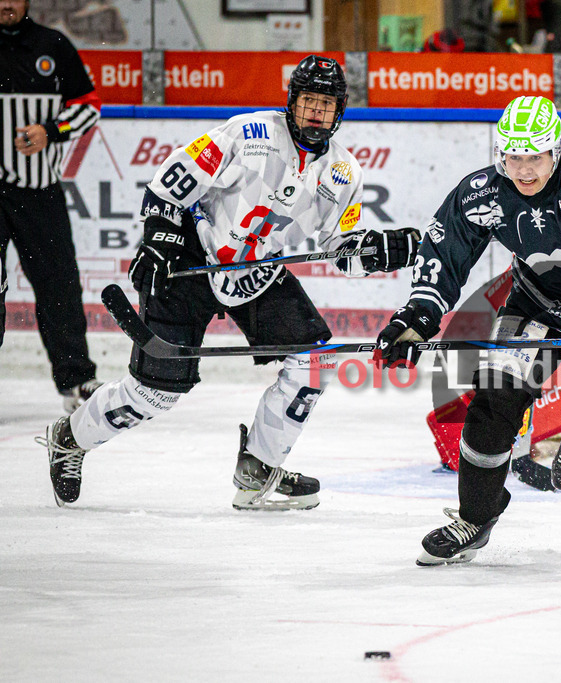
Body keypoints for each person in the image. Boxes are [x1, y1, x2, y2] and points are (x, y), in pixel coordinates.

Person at [38, 54, 420, 510]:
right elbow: (173, 178)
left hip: (257, 270)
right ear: (291, 101)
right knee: (155, 391)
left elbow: (341, 250)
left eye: (326, 104)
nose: (315, 113)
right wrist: (158, 238)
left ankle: (259, 467)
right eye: (308, 102)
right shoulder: (248, 132)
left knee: (314, 361)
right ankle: (70, 437)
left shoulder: (344, 173)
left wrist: (377, 252)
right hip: (191, 259)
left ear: (340, 110)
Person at [375, 95, 561, 565]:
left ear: (557, 149)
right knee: (493, 402)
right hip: (537, 308)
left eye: (534, 156)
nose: (524, 170)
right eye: (513, 156)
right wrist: (417, 315)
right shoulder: (483, 193)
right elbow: (444, 253)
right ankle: (476, 517)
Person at [0, 0, 103, 410]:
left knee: (59, 284)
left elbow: (89, 106)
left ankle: (77, 379)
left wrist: (51, 130)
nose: (6, 3)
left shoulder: (53, 45)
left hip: (38, 191)